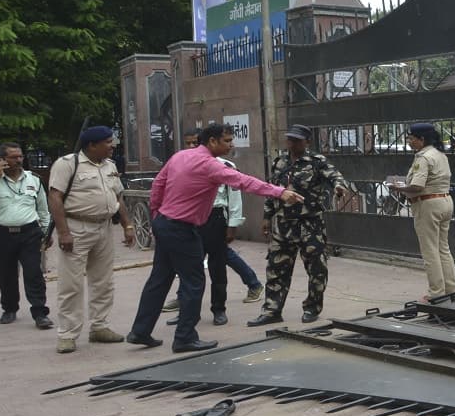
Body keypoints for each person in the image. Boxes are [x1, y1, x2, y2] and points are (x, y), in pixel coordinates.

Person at [127, 123, 300, 353]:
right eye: (227, 140)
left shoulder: (180, 156)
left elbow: (159, 183)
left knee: (159, 279)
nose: (231, 145)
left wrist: (157, 213)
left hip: (165, 223)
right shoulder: (210, 165)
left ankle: (140, 331)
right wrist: (280, 192)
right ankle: (185, 337)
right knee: (193, 282)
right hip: (181, 228)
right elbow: (244, 181)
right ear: (212, 141)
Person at [248, 124, 349, 327]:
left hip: (310, 224)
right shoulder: (280, 162)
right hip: (284, 225)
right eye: (290, 140)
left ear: (307, 142)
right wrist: (267, 217)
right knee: (276, 268)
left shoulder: (316, 162)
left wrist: (339, 187)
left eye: (297, 140)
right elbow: (272, 190)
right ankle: (272, 310)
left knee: (316, 269)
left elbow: (335, 177)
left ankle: (312, 307)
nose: (292, 144)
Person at [47, 126, 135, 354]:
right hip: (76, 227)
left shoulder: (110, 166)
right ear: (92, 145)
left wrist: (128, 225)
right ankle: (67, 334)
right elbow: (55, 197)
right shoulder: (67, 164)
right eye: (107, 142)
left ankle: (100, 327)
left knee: (103, 281)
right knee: (71, 283)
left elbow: (118, 196)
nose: (112, 145)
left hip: (104, 227)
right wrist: (63, 232)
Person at [164, 153, 260, 326]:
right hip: (191, 217)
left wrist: (233, 224)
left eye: (195, 143)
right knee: (189, 269)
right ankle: (187, 312)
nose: (192, 147)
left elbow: (235, 196)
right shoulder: (183, 163)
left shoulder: (225, 166)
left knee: (218, 268)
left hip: (215, 219)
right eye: (189, 143)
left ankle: (219, 309)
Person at [0, 142, 53, 330]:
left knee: (33, 273)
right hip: (1, 234)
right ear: (2, 160)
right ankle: (9, 308)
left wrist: (46, 232)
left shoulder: (33, 179)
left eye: (20, 156)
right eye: (13, 157)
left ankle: (40, 313)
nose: (19, 160)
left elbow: (43, 210)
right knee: (5, 274)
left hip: (29, 233)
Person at [389, 123, 455, 302]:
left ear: (422, 139)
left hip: (428, 205)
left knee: (430, 251)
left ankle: (436, 292)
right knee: (443, 248)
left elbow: (418, 186)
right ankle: (451, 287)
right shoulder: (440, 154)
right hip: (445, 201)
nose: (409, 141)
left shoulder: (423, 157)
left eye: (412, 138)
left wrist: (399, 188)